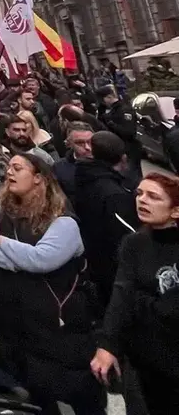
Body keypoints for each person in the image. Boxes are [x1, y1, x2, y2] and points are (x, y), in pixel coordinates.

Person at [0, 153, 105, 414]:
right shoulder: (2, 206)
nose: (9, 173)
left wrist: (4, 243)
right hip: (21, 325)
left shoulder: (63, 220)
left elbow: (41, 259)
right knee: (39, 393)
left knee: (81, 396)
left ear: (38, 179)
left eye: (17, 168)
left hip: (61, 329)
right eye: (9, 168)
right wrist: (17, 261)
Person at [91, 173, 179, 414]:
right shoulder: (134, 244)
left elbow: (171, 308)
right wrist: (107, 344)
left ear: (175, 211)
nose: (142, 200)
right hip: (144, 361)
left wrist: (140, 301)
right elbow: (121, 294)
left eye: (153, 197)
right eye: (139, 193)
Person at [73, 131, 139, 306]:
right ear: (122, 157)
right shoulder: (112, 193)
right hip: (112, 264)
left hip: (94, 255)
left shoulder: (84, 175)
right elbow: (127, 234)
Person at [96, 85, 141, 181]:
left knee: (132, 178)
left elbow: (129, 132)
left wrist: (111, 124)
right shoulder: (111, 110)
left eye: (103, 100)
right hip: (118, 150)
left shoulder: (124, 110)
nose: (103, 103)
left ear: (109, 97)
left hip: (128, 150)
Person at [52, 122, 94, 205]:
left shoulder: (106, 162)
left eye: (90, 142)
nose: (87, 147)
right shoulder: (59, 168)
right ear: (69, 144)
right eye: (80, 143)